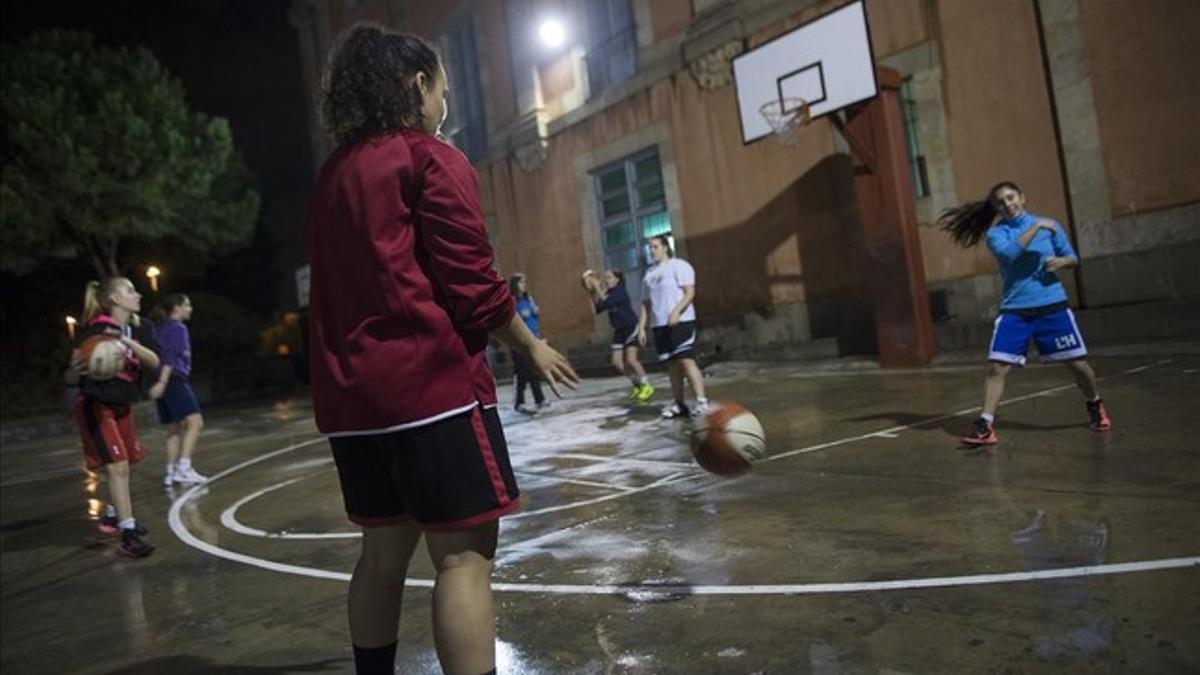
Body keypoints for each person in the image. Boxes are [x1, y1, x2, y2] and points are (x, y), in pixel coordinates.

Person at [306, 24, 578, 675]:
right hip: (430, 392)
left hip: (353, 403)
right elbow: (472, 282)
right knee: (463, 560)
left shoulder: (334, 175)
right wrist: (529, 344)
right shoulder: (427, 157)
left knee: (381, 553)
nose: (445, 106)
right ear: (416, 83)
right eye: (443, 90)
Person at [938, 181, 1112, 446]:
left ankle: (1094, 403)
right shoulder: (998, 234)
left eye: (1011, 198)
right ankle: (985, 425)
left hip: (1052, 307)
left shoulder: (1050, 226)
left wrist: (1062, 261)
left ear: (1022, 197)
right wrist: (1035, 227)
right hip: (1015, 311)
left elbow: (1072, 257)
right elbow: (1010, 254)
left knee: (1078, 366)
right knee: (997, 368)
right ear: (996, 209)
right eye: (1001, 202)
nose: (1008, 205)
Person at [64, 277, 160, 558]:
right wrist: (74, 369)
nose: (137, 294)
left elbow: (154, 361)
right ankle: (128, 534)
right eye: (130, 290)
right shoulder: (93, 332)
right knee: (117, 467)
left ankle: (111, 514)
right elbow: (70, 378)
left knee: (127, 463)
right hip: (97, 406)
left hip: (122, 406)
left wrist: (128, 342)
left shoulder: (138, 328)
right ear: (114, 300)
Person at [636, 235, 708, 418]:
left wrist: (677, 311)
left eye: (655, 246)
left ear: (665, 247)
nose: (652, 250)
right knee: (672, 365)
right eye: (650, 248)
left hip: (681, 322)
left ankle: (701, 401)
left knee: (686, 360)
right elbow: (645, 303)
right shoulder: (649, 274)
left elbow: (690, 292)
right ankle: (679, 404)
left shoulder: (679, 266)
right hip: (660, 326)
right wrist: (642, 327)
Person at [150, 293, 207, 486]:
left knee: (175, 427)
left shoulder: (160, 329)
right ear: (177, 307)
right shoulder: (178, 328)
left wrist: (159, 382)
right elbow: (169, 357)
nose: (190, 309)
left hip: (163, 379)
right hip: (173, 379)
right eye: (187, 305)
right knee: (195, 422)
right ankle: (184, 468)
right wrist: (164, 382)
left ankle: (171, 471)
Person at [582, 269, 653, 401]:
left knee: (631, 360)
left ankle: (647, 385)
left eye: (609, 277)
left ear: (617, 279)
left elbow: (608, 302)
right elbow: (596, 310)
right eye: (606, 277)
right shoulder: (608, 293)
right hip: (619, 330)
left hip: (630, 327)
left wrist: (596, 285)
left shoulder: (620, 291)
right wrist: (590, 294)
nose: (606, 280)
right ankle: (637, 385)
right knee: (616, 362)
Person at [509, 273, 547, 413]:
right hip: (519, 343)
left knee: (534, 370)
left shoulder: (529, 299)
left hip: (533, 339)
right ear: (515, 285)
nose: (524, 285)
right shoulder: (512, 301)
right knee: (522, 372)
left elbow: (533, 319)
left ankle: (539, 399)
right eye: (521, 282)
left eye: (525, 282)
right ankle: (519, 402)